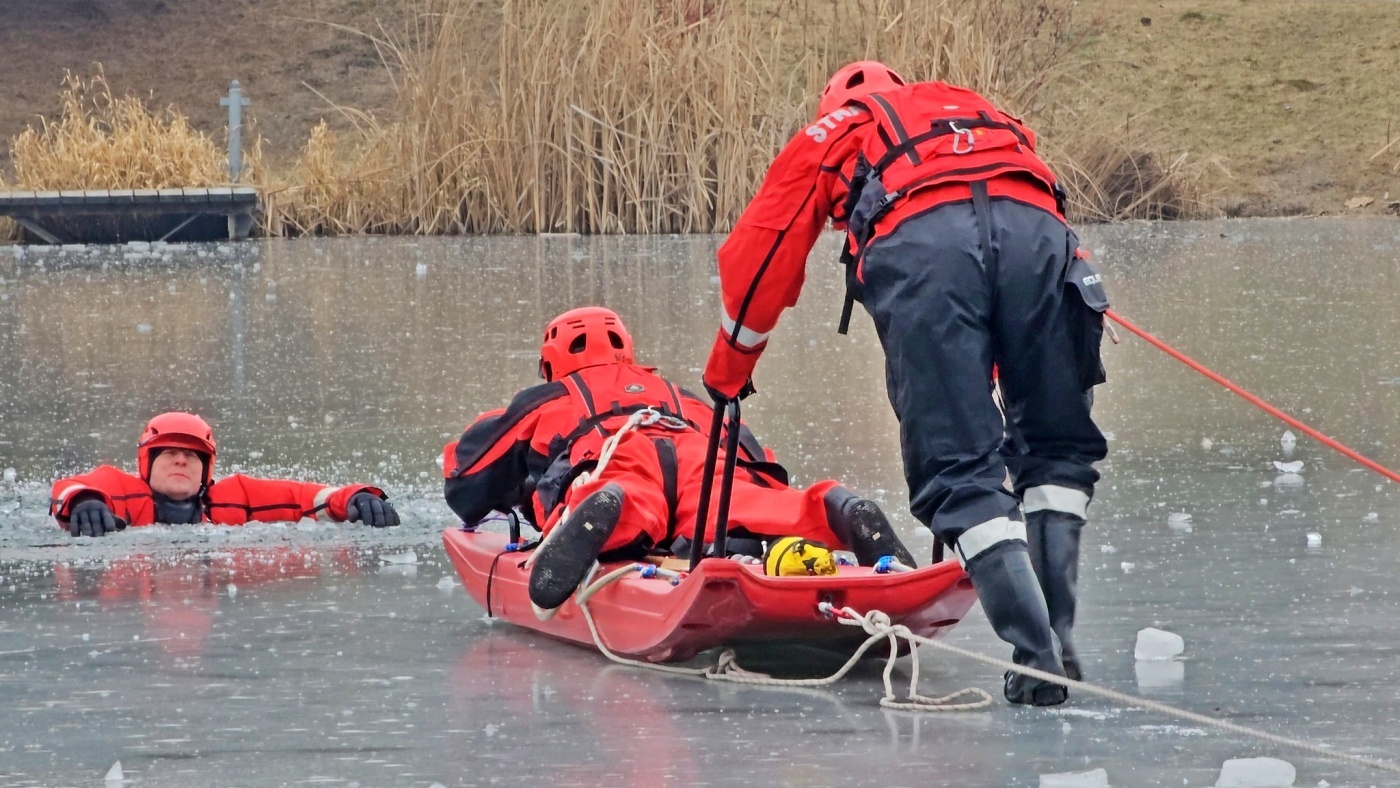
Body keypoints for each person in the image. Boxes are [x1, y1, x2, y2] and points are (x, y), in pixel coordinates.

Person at [701, 62, 1110, 706]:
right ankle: (1059, 635)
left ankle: (1039, 659)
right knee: (1055, 453)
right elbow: (1018, 206)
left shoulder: (836, 129)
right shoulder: (974, 107)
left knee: (961, 474)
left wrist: (728, 372)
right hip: (1044, 242)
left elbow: (761, 250)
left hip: (927, 249)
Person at [443, 306, 915, 613]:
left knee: (629, 500)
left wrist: (510, 491)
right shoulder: (676, 394)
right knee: (747, 503)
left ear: (550, 363)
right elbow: (751, 458)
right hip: (693, 450)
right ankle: (826, 507)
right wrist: (769, 488)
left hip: (615, 455)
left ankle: (600, 509)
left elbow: (467, 478)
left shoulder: (549, 396)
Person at [50, 411, 400, 535]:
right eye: (170, 453)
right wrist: (83, 502)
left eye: (191, 456)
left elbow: (307, 498)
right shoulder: (117, 490)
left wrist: (356, 496)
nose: (181, 461)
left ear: (207, 468)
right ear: (147, 462)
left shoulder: (236, 497)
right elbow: (70, 488)